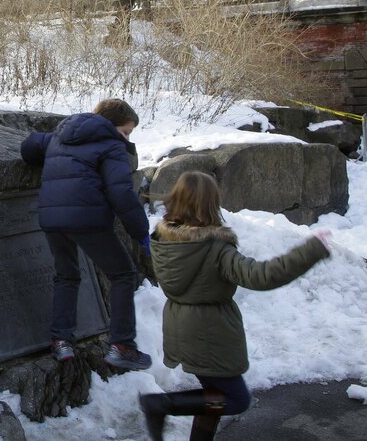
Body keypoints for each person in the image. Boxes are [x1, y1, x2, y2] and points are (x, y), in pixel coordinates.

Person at [140, 171, 332, 441]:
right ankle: (161, 404)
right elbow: (262, 275)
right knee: (236, 399)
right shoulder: (216, 249)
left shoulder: (164, 241)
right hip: (209, 333)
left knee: (212, 399)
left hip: (181, 327)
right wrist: (311, 250)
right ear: (209, 204)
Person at [20, 98, 153, 370]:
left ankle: (61, 341)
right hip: (88, 220)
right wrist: (140, 231)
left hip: (52, 219)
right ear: (112, 125)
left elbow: (30, 145)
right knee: (123, 275)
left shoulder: (60, 136)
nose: (127, 138)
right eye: (126, 132)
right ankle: (123, 346)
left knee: (66, 275)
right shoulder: (112, 146)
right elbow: (121, 193)